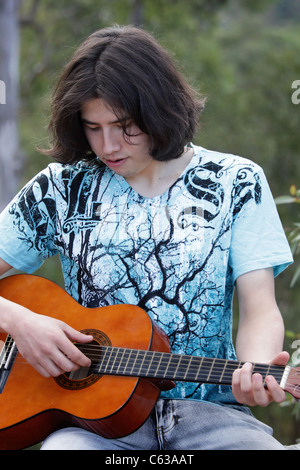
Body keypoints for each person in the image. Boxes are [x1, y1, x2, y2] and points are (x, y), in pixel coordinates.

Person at [0, 25, 294, 450]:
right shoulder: (62, 189)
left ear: (159, 109)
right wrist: (20, 322)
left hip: (213, 417)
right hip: (90, 427)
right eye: (92, 127)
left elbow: (259, 309)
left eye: (124, 126)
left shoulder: (236, 181)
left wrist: (257, 368)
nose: (108, 145)